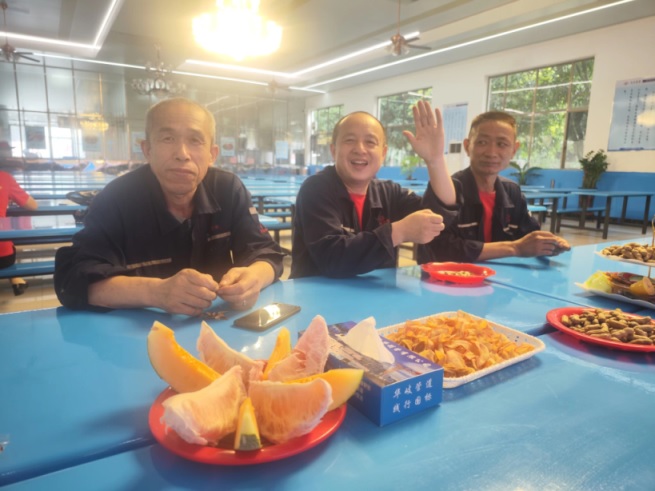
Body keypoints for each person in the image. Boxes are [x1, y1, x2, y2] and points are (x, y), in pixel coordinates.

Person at [54, 98, 285, 316]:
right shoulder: (115, 199)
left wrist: (254, 278)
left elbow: (267, 253)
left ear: (212, 154)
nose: (182, 154)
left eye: (195, 140)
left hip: (218, 322)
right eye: (167, 139)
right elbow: (73, 280)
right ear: (147, 150)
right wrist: (156, 292)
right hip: (139, 330)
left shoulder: (228, 189)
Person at [290, 100, 456, 278]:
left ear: (383, 153)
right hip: (318, 293)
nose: (360, 149)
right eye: (349, 140)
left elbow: (439, 217)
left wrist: (435, 160)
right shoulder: (316, 189)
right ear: (333, 150)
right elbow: (333, 258)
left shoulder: (389, 193)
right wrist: (399, 232)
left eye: (370, 142)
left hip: (378, 293)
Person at [417, 110, 570, 264]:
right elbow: (438, 247)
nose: (491, 153)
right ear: (467, 146)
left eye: (501, 144)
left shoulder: (512, 192)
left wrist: (548, 243)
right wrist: (514, 248)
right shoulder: (446, 190)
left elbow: (528, 235)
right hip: (449, 277)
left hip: (499, 275)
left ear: (514, 150)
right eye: (482, 142)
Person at [0, 170, 38, 295]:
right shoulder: (4, 177)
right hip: (3, 256)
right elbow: (33, 205)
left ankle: (16, 279)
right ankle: (15, 279)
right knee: (6, 244)